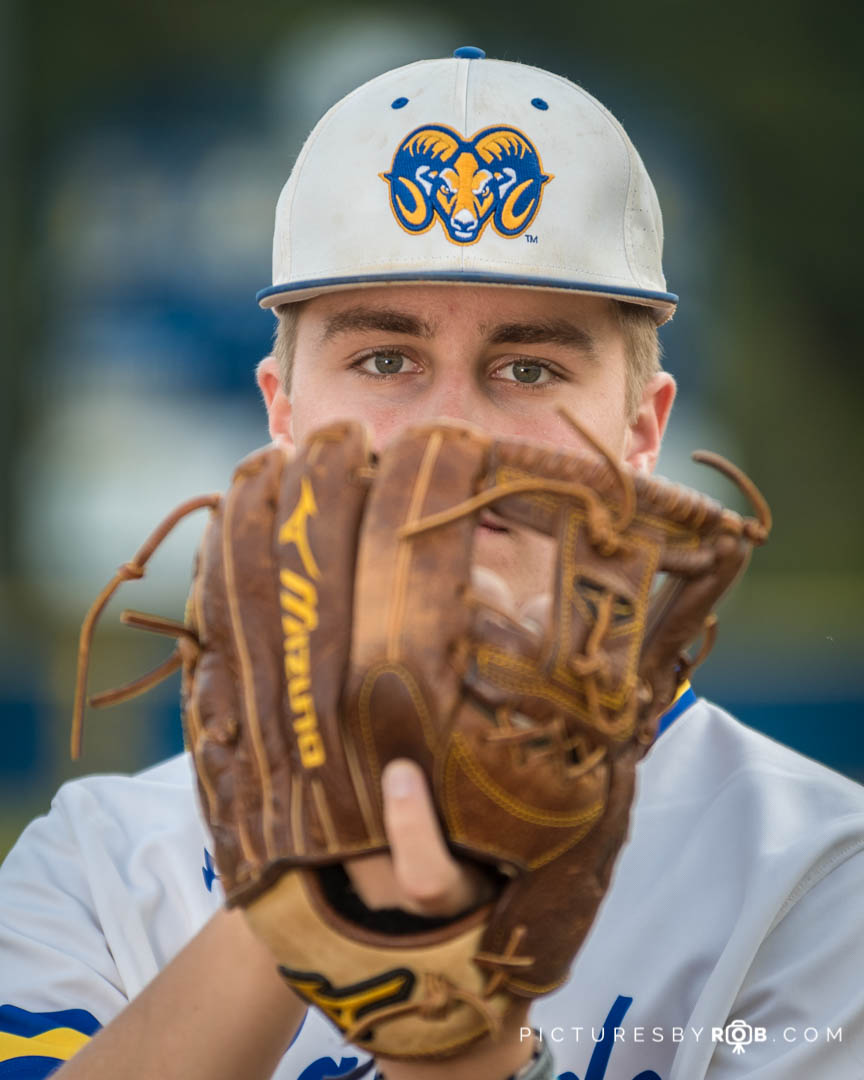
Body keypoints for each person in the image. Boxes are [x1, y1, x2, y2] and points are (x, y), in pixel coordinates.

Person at [2, 48, 864, 1080]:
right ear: (282, 414)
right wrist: (311, 899)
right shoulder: (96, 857)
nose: (449, 434)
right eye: (385, 360)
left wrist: (463, 1048)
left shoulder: (819, 873)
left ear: (642, 431)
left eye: (528, 367)